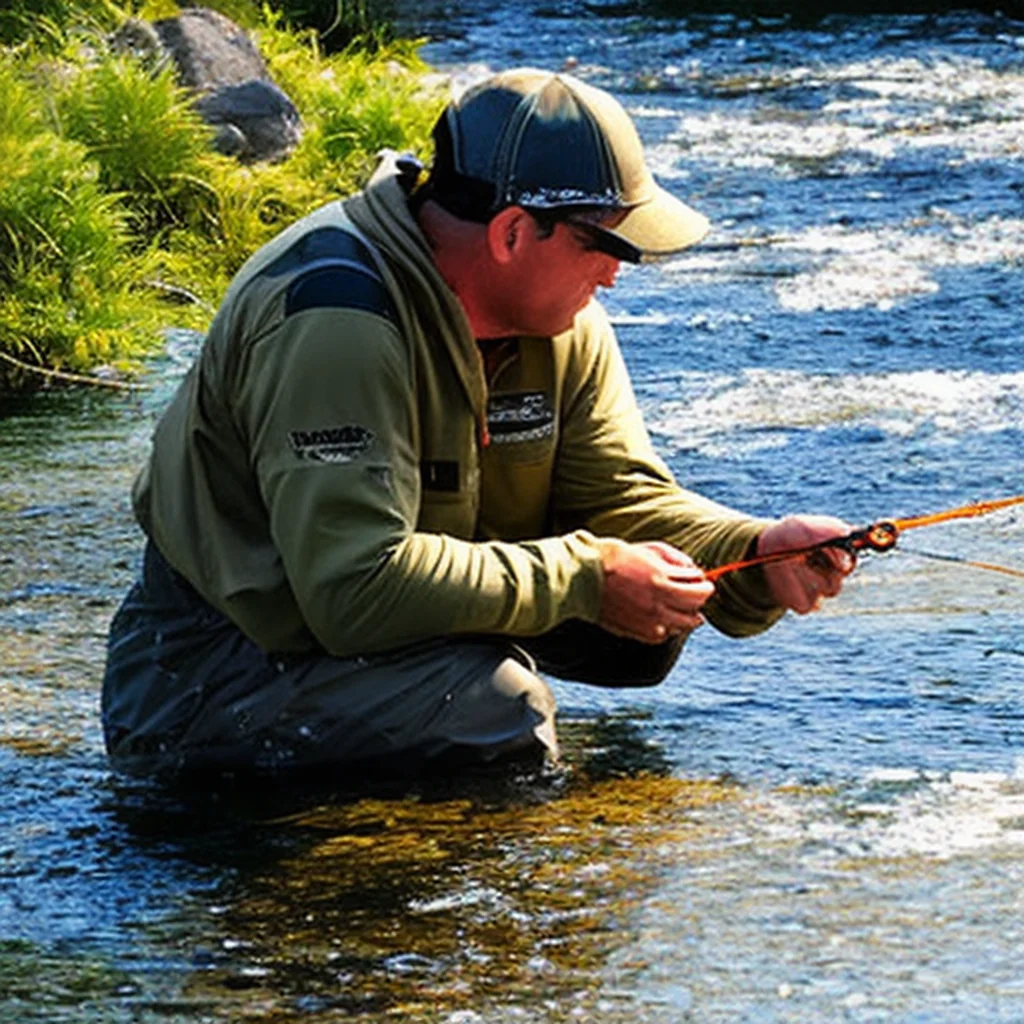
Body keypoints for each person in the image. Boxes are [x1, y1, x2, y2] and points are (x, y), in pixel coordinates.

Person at [102, 67, 853, 780]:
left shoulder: (561, 324)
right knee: (500, 709)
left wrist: (754, 550)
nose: (618, 274)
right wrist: (588, 577)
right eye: (611, 245)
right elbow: (354, 587)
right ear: (513, 233)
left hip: (360, 640)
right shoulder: (335, 319)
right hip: (205, 672)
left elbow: (619, 499)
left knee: (649, 619)